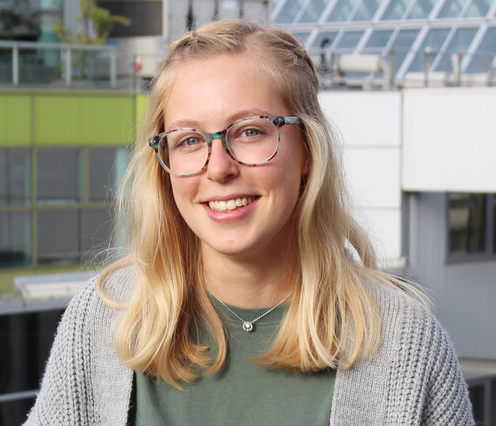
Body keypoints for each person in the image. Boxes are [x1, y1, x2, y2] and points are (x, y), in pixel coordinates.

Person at [25, 19, 473, 425]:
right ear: (163, 163)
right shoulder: (103, 321)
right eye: (189, 140)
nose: (218, 167)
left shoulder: (403, 344)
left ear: (308, 151)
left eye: (251, 131)